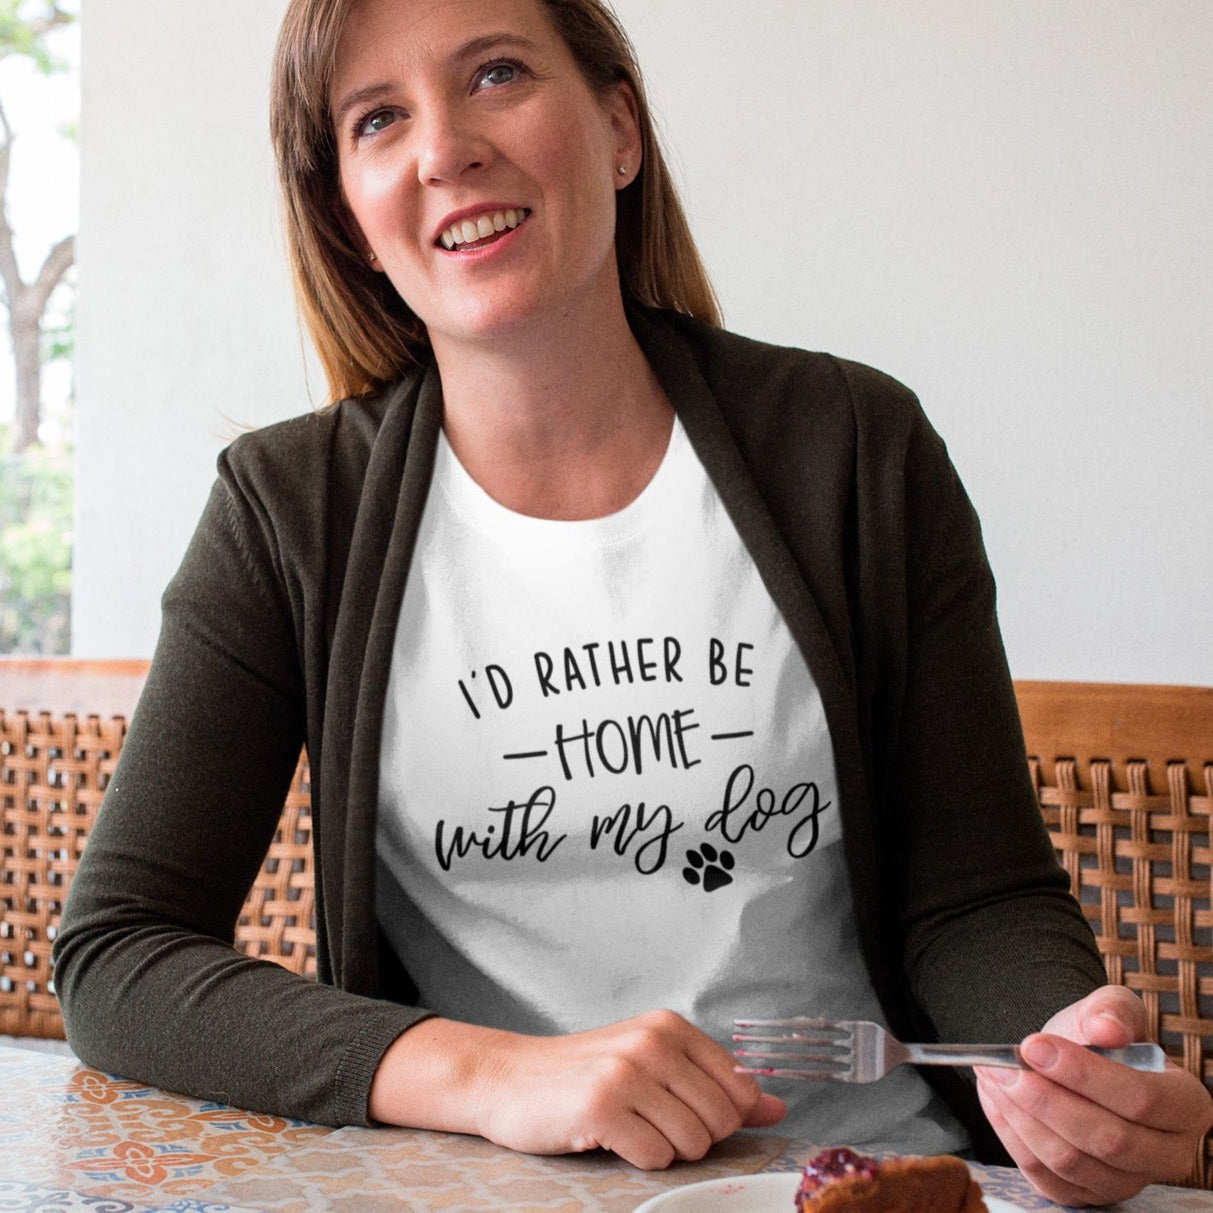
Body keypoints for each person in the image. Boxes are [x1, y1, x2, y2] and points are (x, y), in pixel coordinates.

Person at [54, 0, 1211, 1205]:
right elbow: (118, 951)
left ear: (617, 129)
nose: (444, 147)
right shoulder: (286, 512)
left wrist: (1069, 1069)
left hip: (874, 1177)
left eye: (495, 73)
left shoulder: (856, 451)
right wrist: (495, 1074)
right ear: (349, 213)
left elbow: (975, 896)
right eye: (378, 118)